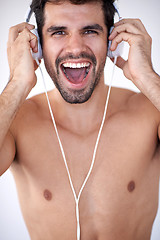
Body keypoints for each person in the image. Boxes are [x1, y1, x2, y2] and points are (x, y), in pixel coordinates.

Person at [1, 0, 160, 239]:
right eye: (59, 32)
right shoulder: (16, 122)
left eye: (90, 31)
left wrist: (148, 78)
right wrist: (17, 84)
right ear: (37, 46)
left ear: (112, 41)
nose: (75, 47)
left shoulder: (150, 113)